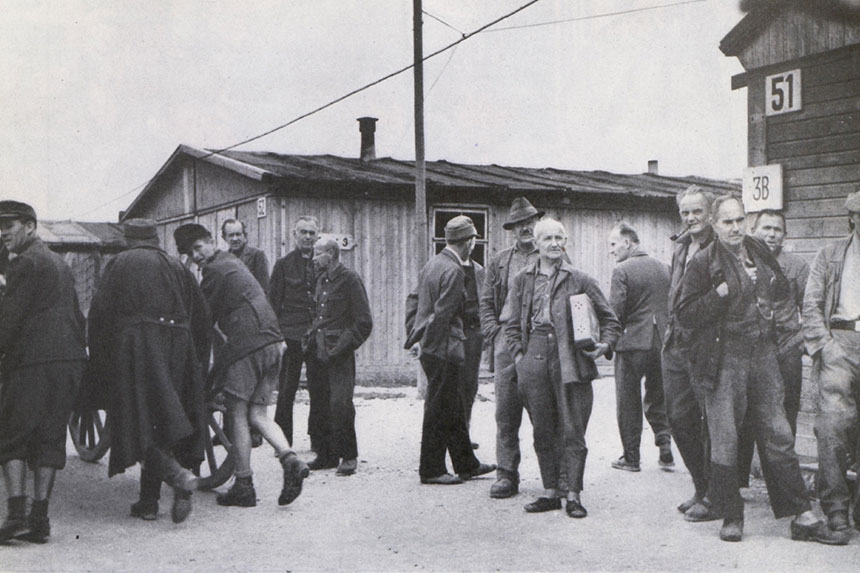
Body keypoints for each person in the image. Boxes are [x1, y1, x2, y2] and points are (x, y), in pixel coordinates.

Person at [677, 195, 843, 544]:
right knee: (726, 438)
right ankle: (731, 515)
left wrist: (766, 295)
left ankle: (803, 516)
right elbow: (686, 313)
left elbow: (781, 285)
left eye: (739, 220)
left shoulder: (758, 249)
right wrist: (719, 294)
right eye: (727, 222)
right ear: (713, 224)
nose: (735, 228)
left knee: (779, 434)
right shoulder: (703, 262)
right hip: (725, 359)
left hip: (763, 355)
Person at [175, 223, 308, 508]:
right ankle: (290, 459)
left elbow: (202, 323)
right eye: (189, 253)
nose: (196, 256)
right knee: (257, 413)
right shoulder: (233, 263)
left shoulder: (214, 272)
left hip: (247, 344)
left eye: (198, 248)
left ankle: (244, 485)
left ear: (211, 241)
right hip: (274, 342)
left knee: (236, 412)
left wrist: (199, 372)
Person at [86, 219, 210, 524]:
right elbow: (202, 318)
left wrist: (99, 361)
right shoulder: (178, 266)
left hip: (137, 349)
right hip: (179, 349)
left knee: (136, 419)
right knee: (162, 422)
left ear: (129, 239)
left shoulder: (120, 262)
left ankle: (176, 476)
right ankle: (148, 500)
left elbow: (100, 314)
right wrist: (197, 365)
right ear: (156, 239)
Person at [505, 218, 621, 518]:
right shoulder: (522, 279)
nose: (555, 243)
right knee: (542, 429)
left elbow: (611, 321)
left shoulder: (580, 279)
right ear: (537, 243)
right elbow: (512, 324)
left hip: (571, 359)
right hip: (534, 358)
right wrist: (520, 357)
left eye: (560, 238)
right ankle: (550, 492)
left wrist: (604, 346)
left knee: (573, 428)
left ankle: (573, 494)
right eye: (548, 239)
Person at [0, 201, 87, 543]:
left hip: (34, 362)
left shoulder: (25, 263)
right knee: (51, 437)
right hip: (68, 362)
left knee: (12, 435)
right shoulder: (58, 263)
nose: (3, 232)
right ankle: (40, 521)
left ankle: (16, 516)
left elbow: (9, 322)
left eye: (10, 226)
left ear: (30, 227)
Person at [406, 215, 496, 485]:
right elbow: (442, 315)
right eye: (473, 240)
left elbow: (416, 303)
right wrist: (430, 347)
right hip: (444, 348)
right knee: (438, 409)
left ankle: (466, 464)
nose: (473, 244)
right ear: (468, 242)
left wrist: (415, 339)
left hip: (434, 348)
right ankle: (431, 469)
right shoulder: (455, 271)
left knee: (454, 406)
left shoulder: (433, 264)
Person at [737, 209, 809, 487]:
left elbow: (811, 310)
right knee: (743, 415)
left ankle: (780, 485)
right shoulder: (742, 262)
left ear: (785, 235)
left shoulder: (796, 266)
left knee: (784, 416)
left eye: (777, 229)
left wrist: (797, 343)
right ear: (754, 230)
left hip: (784, 350)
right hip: (750, 350)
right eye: (765, 228)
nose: (771, 234)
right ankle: (739, 480)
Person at [803, 189, 860, 537]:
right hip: (839, 344)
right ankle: (836, 509)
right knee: (833, 428)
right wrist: (826, 345)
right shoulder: (830, 255)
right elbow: (811, 304)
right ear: (853, 217)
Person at [479, 197, 543, 499]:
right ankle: (506, 474)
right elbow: (486, 303)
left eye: (530, 222)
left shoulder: (552, 255)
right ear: (512, 229)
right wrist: (494, 333)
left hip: (539, 341)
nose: (526, 228)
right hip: (506, 339)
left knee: (544, 409)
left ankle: (554, 474)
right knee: (505, 411)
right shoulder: (499, 261)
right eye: (519, 224)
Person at [662, 185, 718, 522]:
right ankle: (701, 485)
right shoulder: (680, 247)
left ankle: (713, 495)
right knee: (678, 418)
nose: (691, 217)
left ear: (709, 213)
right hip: (675, 342)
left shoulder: (719, 247)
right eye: (685, 212)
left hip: (705, 346)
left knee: (710, 423)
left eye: (697, 211)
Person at [303, 239, 372, 475]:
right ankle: (326, 454)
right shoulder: (322, 280)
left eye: (317, 254)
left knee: (340, 404)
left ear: (331, 254)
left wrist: (343, 344)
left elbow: (364, 322)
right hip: (317, 351)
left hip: (338, 354)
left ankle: (349, 456)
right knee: (320, 403)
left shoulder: (350, 279)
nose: (313, 259)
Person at [607, 222, 673, 472]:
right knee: (659, 395)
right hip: (662, 342)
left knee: (628, 401)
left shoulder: (622, 270)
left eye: (613, 244)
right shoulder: (664, 268)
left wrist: (608, 341)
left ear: (628, 242)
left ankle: (631, 457)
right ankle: (664, 445)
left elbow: (616, 312)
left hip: (632, 343)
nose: (611, 251)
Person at [269, 216, 323, 454]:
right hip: (290, 336)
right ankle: (283, 443)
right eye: (303, 232)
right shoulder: (283, 265)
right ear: (294, 235)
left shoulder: (323, 263)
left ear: (317, 236)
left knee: (319, 388)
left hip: (316, 336)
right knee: (286, 389)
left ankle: (319, 439)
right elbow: (273, 304)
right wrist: (277, 337)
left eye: (312, 233)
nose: (308, 237)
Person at [222, 219, 270, 291]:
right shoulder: (223, 260)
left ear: (245, 236)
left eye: (238, 234)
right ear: (224, 238)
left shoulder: (257, 255)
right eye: (231, 235)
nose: (235, 239)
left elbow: (264, 288)